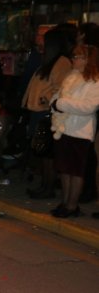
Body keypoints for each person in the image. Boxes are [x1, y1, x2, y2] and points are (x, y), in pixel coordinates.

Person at [22, 25, 74, 199]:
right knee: (42, 152)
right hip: (39, 110)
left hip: (47, 111)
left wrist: (46, 98)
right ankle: (45, 185)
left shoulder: (62, 62)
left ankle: (48, 187)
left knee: (47, 153)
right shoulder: (50, 60)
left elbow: (62, 87)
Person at [49, 44, 99, 218]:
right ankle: (65, 202)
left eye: (78, 57)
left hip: (80, 131)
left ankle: (72, 205)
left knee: (76, 171)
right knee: (64, 169)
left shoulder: (94, 80)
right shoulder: (71, 76)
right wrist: (54, 103)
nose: (74, 59)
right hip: (64, 128)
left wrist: (61, 104)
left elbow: (89, 107)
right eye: (74, 56)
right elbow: (59, 96)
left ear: (87, 60)